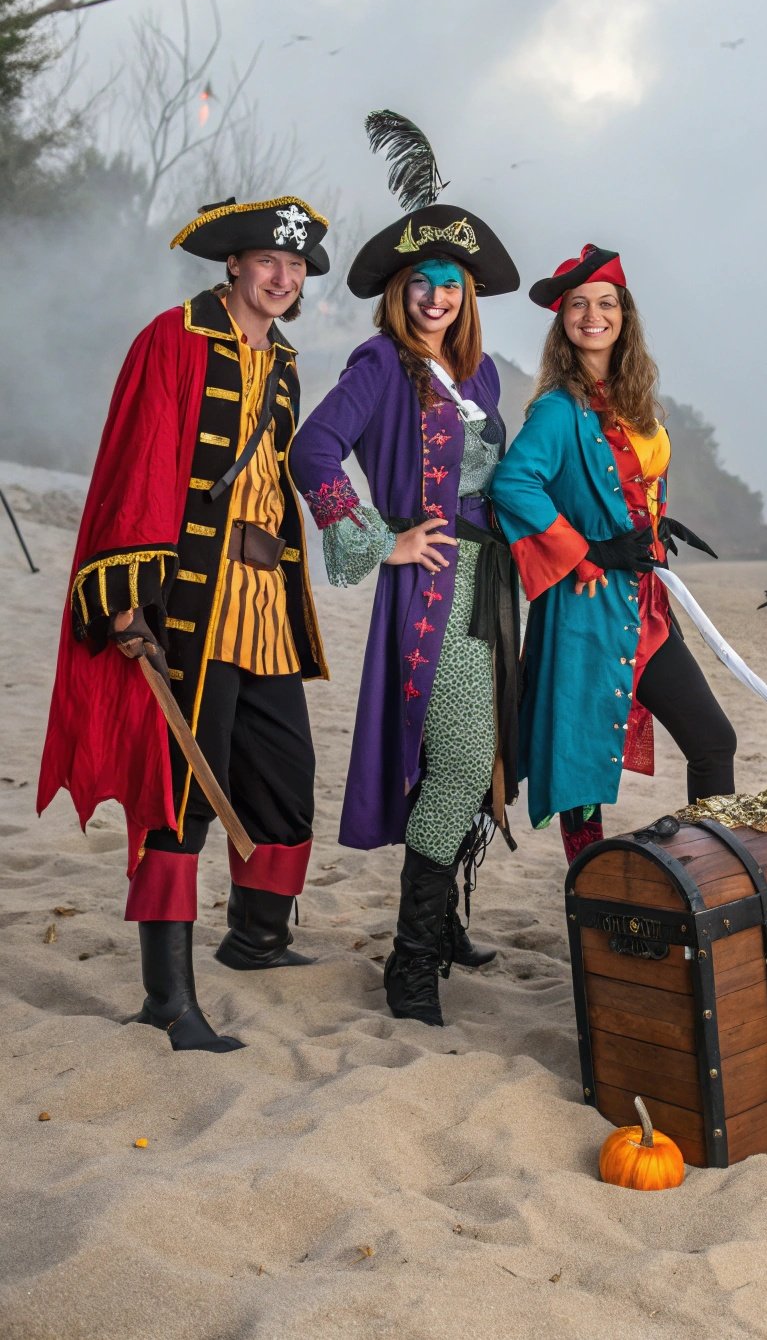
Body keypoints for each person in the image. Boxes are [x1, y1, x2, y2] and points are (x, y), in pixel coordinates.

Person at [38, 196, 331, 1053]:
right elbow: (136, 461)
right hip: (190, 603)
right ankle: (167, 1001)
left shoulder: (284, 365)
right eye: (266, 262)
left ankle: (254, 937)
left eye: (295, 268)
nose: (281, 278)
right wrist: (128, 602)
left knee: (283, 778)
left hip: (265, 605)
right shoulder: (172, 338)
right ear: (233, 266)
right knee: (179, 795)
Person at [289, 199, 520, 1028]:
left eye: (450, 284)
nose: (435, 297)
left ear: (468, 294)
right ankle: (411, 959)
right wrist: (373, 539)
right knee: (460, 762)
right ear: (398, 291)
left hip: (492, 586)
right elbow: (311, 449)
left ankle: (445, 921)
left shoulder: (482, 375)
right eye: (420, 283)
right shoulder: (381, 364)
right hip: (433, 586)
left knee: (481, 754)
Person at [489, 244, 737, 862]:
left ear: (624, 315)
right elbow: (513, 484)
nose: (591, 315)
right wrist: (587, 549)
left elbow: (625, 480)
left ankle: (706, 876)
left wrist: (650, 521)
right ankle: (588, 895)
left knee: (713, 742)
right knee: (578, 775)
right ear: (563, 320)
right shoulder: (557, 408)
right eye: (578, 305)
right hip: (588, 607)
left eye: (604, 304)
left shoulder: (633, 400)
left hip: (646, 606)